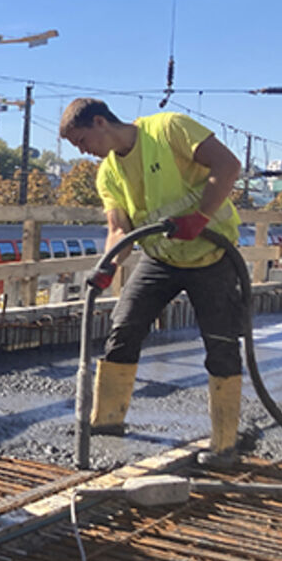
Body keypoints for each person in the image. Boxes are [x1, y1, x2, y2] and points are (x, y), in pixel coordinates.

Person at [59, 97, 244, 465]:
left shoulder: (168, 129)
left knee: (221, 343)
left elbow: (228, 165)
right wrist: (107, 266)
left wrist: (201, 217)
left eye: (82, 142)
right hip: (160, 258)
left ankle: (224, 444)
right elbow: (119, 230)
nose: (83, 152)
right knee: (124, 328)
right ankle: (107, 422)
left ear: (100, 122)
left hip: (212, 255)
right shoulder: (108, 172)